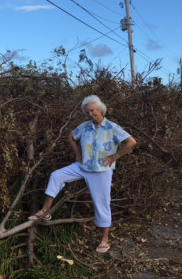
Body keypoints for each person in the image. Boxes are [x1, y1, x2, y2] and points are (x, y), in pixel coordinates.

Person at [28, 95, 137, 254]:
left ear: (100, 109)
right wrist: (78, 153)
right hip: (82, 166)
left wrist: (114, 157)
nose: (90, 114)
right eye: (87, 112)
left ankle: (105, 239)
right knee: (56, 176)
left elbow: (131, 142)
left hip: (101, 171)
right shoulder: (84, 126)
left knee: (102, 204)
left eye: (92, 111)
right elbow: (71, 137)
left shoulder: (112, 127)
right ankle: (45, 212)